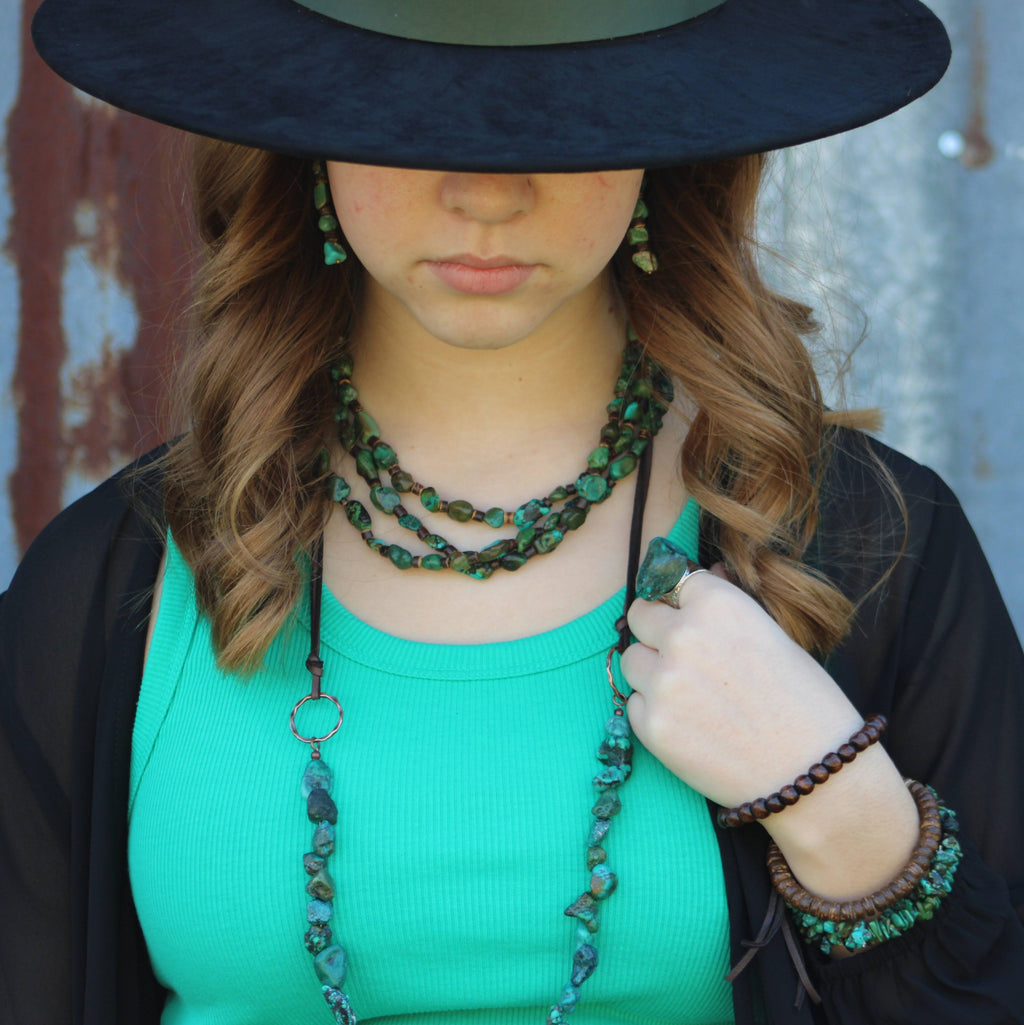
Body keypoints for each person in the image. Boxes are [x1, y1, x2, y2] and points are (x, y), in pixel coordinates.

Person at [3, 1, 1023, 1023]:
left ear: (655, 144)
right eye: (408, 116)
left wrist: (840, 811)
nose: (484, 194)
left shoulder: (871, 548)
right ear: (306, 141)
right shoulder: (104, 589)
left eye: (555, 116)